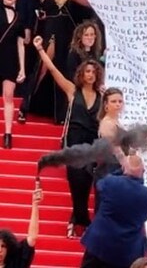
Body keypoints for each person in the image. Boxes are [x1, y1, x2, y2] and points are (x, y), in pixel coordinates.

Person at [33, 35, 103, 239]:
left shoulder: (102, 97)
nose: (90, 74)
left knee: (85, 182)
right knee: (75, 180)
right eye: (87, 71)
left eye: (93, 71)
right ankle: (81, 220)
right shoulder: (73, 91)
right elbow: (54, 71)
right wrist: (40, 50)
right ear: (82, 74)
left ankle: (77, 218)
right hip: (73, 143)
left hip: (91, 144)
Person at [25, 0, 90, 124]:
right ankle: (25, 107)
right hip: (50, 33)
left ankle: (60, 115)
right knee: (42, 68)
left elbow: (89, 3)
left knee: (63, 72)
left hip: (65, 35)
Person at [80, 154, 147, 268]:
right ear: (142, 171)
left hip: (99, 245)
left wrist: (121, 172)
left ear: (123, 168)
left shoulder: (112, 183)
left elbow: (100, 184)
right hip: (126, 252)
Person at [0, 0, 27, 149]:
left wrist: (22, 68)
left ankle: (8, 133)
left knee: (8, 96)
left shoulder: (20, 17)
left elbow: (20, 44)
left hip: (10, 59)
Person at [0, 185, 42, 268]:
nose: (0, 250)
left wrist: (35, 204)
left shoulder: (16, 262)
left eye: (3, 246)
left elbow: (32, 237)